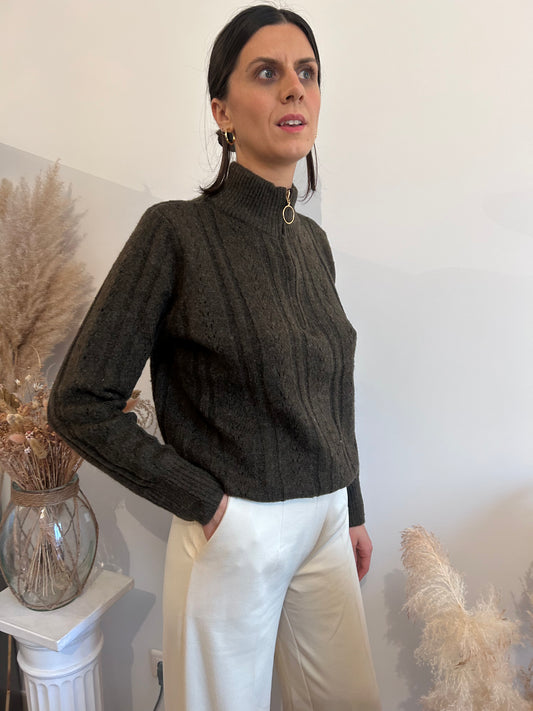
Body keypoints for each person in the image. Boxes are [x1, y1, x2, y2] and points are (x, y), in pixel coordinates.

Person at [48, 5, 382, 710]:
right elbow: (80, 401)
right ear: (221, 111)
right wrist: (205, 502)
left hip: (325, 520)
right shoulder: (175, 233)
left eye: (307, 72)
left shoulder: (312, 243)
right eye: (266, 72)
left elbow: (331, 389)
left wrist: (349, 506)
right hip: (237, 528)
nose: (294, 88)